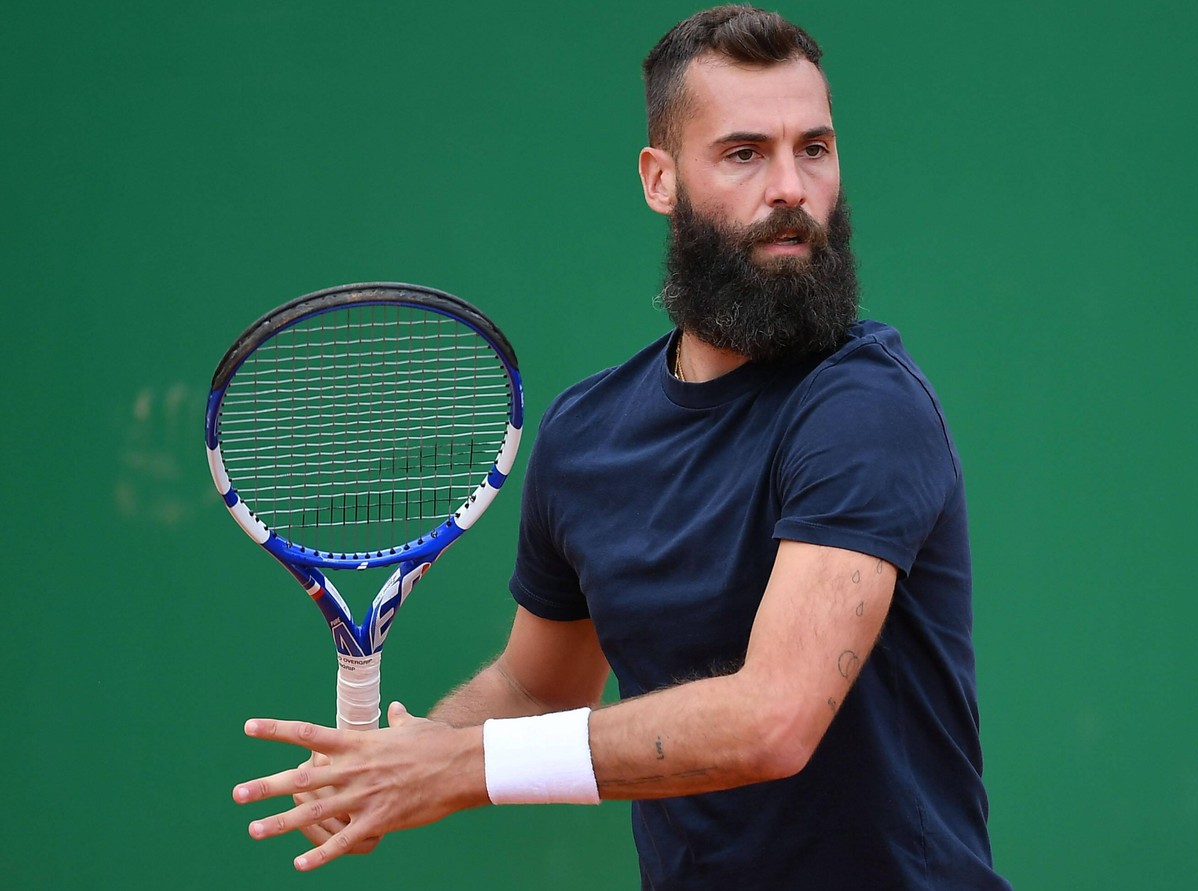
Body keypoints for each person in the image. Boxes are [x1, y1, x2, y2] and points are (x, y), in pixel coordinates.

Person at [233, 6, 1011, 889]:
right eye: (745, 152)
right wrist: (395, 764)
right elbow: (538, 689)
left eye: (816, 149)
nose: (791, 186)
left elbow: (772, 720)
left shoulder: (866, 408)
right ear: (661, 179)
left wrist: (459, 767)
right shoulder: (587, 436)